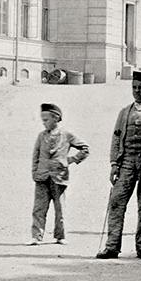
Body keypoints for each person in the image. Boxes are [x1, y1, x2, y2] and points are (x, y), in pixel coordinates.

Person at [97, 70, 141, 261]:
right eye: (134, 87)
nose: (136, 91)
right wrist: (113, 164)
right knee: (116, 202)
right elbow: (116, 137)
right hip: (126, 163)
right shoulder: (124, 112)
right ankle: (112, 247)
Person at [29, 102, 89, 245]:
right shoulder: (41, 136)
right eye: (42, 120)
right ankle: (36, 236)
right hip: (42, 177)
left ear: (56, 118)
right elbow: (35, 156)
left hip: (59, 177)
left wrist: (70, 160)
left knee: (60, 208)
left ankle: (60, 236)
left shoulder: (66, 135)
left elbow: (85, 148)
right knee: (39, 208)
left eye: (46, 120)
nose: (44, 123)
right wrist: (35, 172)